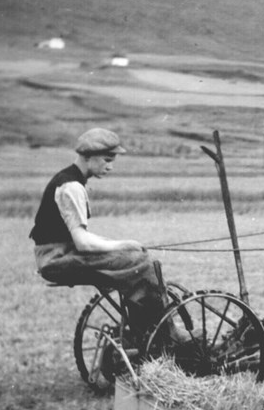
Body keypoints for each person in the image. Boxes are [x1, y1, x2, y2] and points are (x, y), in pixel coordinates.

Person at [30, 128, 169, 339]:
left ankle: (146, 332)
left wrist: (122, 245)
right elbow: (83, 243)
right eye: (107, 160)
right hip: (57, 258)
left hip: (57, 254)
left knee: (136, 260)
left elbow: (79, 238)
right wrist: (123, 245)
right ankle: (161, 335)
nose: (110, 167)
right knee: (143, 264)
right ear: (88, 156)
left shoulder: (70, 181)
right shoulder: (71, 187)